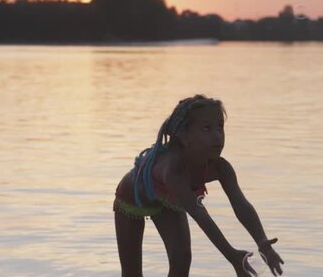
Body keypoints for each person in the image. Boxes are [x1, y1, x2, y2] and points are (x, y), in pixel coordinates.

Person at [114, 94, 284, 277]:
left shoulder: (221, 167)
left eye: (220, 127)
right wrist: (232, 255)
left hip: (168, 200)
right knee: (132, 272)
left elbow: (241, 204)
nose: (217, 135)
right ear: (184, 137)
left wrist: (263, 243)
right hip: (131, 199)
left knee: (182, 258)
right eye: (206, 128)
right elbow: (199, 215)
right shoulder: (173, 170)